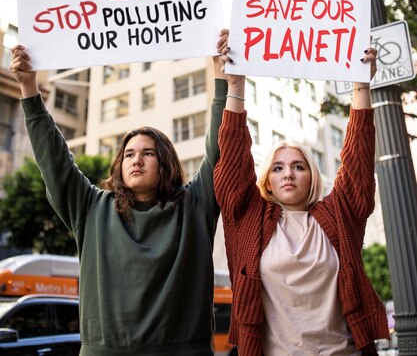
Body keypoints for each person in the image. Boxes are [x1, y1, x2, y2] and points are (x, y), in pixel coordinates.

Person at [10, 31, 230, 356]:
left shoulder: (195, 205)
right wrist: (29, 88)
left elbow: (221, 147)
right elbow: (55, 162)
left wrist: (221, 77)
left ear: (165, 161)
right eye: (128, 154)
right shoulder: (92, 208)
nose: (136, 159)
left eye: (148, 153)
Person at [213, 45, 390, 356]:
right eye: (278, 168)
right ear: (267, 179)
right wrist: (235, 85)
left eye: (298, 166)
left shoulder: (338, 214)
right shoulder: (249, 217)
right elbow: (232, 164)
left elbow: (358, 165)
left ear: (312, 176)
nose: (288, 174)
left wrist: (362, 86)